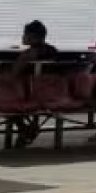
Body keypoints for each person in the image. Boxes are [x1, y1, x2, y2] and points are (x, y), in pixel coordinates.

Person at [8, 20, 59, 149]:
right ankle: (28, 129)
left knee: (8, 102)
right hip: (54, 93)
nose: (22, 37)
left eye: (25, 34)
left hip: (30, 94)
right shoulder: (53, 51)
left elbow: (14, 74)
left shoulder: (28, 55)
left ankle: (24, 129)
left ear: (33, 37)